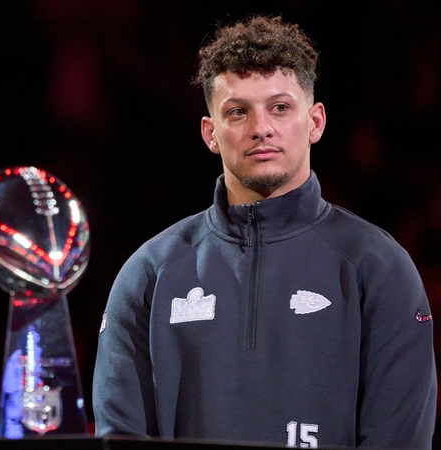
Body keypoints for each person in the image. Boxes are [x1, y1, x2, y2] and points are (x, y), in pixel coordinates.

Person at [92, 16, 436, 449]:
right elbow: (119, 438)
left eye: (280, 107)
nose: (261, 128)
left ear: (315, 122)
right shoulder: (149, 273)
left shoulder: (378, 267)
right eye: (238, 112)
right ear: (210, 133)